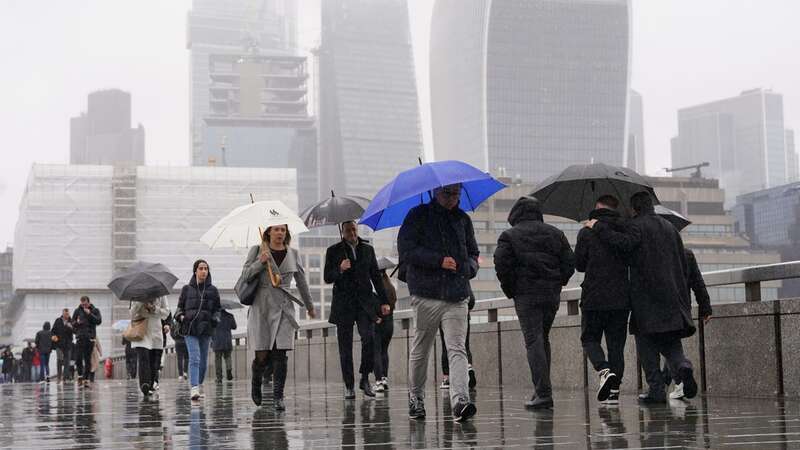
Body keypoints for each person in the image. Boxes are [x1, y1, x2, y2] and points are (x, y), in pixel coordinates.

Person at [586, 191, 699, 404]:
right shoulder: (670, 228)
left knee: (646, 342)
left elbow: (624, 244)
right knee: (671, 342)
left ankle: (656, 390)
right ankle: (684, 367)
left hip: (646, 295)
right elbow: (682, 264)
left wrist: (598, 226)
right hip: (673, 295)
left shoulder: (636, 226)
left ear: (635, 208)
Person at [397, 183, 479, 423]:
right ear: (435, 192)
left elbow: (473, 253)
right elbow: (407, 251)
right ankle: (416, 398)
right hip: (426, 293)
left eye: (457, 193)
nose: (453, 198)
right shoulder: (417, 216)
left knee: (457, 348)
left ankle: (460, 401)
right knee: (421, 348)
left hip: (457, 294)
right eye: (448, 193)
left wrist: (470, 268)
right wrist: (438, 260)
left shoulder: (463, 220)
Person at [494, 196, 575, 409]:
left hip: (526, 294)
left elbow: (501, 265)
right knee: (542, 338)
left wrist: (512, 289)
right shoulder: (555, 233)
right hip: (550, 294)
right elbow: (569, 262)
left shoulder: (509, 236)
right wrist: (558, 282)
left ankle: (543, 392)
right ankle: (541, 390)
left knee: (533, 340)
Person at [239, 224, 316, 410]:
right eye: (276, 230)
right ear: (268, 233)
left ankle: (278, 397)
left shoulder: (293, 253)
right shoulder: (258, 250)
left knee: (281, 353)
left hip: (284, 308)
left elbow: (302, 282)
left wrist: (310, 306)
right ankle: (256, 380)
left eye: (283, 230)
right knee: (263, 354)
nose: (280, 233)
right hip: (262, 307)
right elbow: (245, 276)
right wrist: (260, 262)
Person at [574, 195, 630, 405]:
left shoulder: (586, 231)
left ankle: (604, 370)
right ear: (615, 208)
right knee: (616, 346)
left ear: (597, 207)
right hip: (621, 298)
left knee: (589, 339)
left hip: (594, 296)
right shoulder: (625, 229)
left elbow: (579, 264)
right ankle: (614, 392)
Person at [324, 220, 389, 399]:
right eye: (348, 230)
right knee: (345, 348)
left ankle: (364, 377)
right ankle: (349, 385)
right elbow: (327, 277)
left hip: (364, 304)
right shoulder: (333, 251)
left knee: (369, 338)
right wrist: (340, 269)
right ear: (343, 232)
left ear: (357, 229)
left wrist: (384, 301)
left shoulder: (367, 249)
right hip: (343, 304)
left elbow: (375, 276)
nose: (352, 233)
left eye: (354, 229)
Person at [663, 228, 713, 400]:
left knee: (666, 344)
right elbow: (697, 282)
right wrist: (705, 307)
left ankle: (679, 380)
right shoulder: (687, 254)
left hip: (660, 308)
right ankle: (674, 380)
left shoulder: (655, 255)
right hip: (683, 307)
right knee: (671, 342)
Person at [176, 259, 221, 402]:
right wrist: (181, 316)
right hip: (190, 328)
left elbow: (217, 309)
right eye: (201, 268)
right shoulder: (186, 289)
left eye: (206, 269)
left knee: (203, 361)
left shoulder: (213, 290)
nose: (203, 271)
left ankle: (199, 383)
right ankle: (194, 388)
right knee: (194, 358)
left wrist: (215, 319)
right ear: (195, 271)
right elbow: (179, 308)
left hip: (206, 329)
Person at [131, 295, 170, 396]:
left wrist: (154, 308)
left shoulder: (161, 295)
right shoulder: (137, 294)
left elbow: (166, 313)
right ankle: (144, 385)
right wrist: (141, 303)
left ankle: (151, 384)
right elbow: (131, 313)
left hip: (155, 333)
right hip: (141, 331)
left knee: (154, 362)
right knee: (143, 359)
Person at [439, 287, 477, 391]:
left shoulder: (441, 277)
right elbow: (471, 300)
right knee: (464, 345)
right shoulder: (462, 275)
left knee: (446, 346)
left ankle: (447, 377)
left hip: (444, 316)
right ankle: (468, 366)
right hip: (463, 315)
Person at [373, 263, 397, 393]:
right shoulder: (391, 287)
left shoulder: (376, 288)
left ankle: (378, 381)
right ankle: (385, 378)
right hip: (389, 323)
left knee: (376, 351)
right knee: (384, 351)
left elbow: (373, 304)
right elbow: (393, 304)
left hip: (377, 322)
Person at [72, 295, 102, 387]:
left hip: (90, 338)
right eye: (82, 304)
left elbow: (99, 321)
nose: (83, 306)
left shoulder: (95, 310)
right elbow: (72, 323)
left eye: (85, 304)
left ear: (88, 302)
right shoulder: (77, 311)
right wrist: (77, 323)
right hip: (80, 338)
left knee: (88, 359)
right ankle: (80, 376)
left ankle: (86, 379)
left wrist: (89, 314)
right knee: (78, 358)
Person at [212, 309, 237, 383]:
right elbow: (234, 327)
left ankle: (219, 378)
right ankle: (229, 371)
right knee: (228, 357)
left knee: (218, 360)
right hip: (227, 340)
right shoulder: (230, 316)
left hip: (217, 341)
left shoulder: (214, 316)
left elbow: (210, 327)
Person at [52, 309, 75, 383]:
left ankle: (65, 377)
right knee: (59, 360)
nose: (66, 316)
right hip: (59, 343)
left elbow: (75, 331)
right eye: (65, 314)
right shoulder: (58, 321)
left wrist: (71, 327)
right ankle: (59, 377)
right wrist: (53, 336)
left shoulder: (71, 321)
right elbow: (53, 331)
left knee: (67, 361)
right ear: (62, 314)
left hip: (68, 344)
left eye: (67, 314)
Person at [170, 316, 189, 381]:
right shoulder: (185, 320)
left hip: (178, 342)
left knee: (179, 358)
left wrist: (175, 339)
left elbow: (171, 332)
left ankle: (180, 375)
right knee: (186, 357)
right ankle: (185, 372)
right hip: (186, 341)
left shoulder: (174, 321)